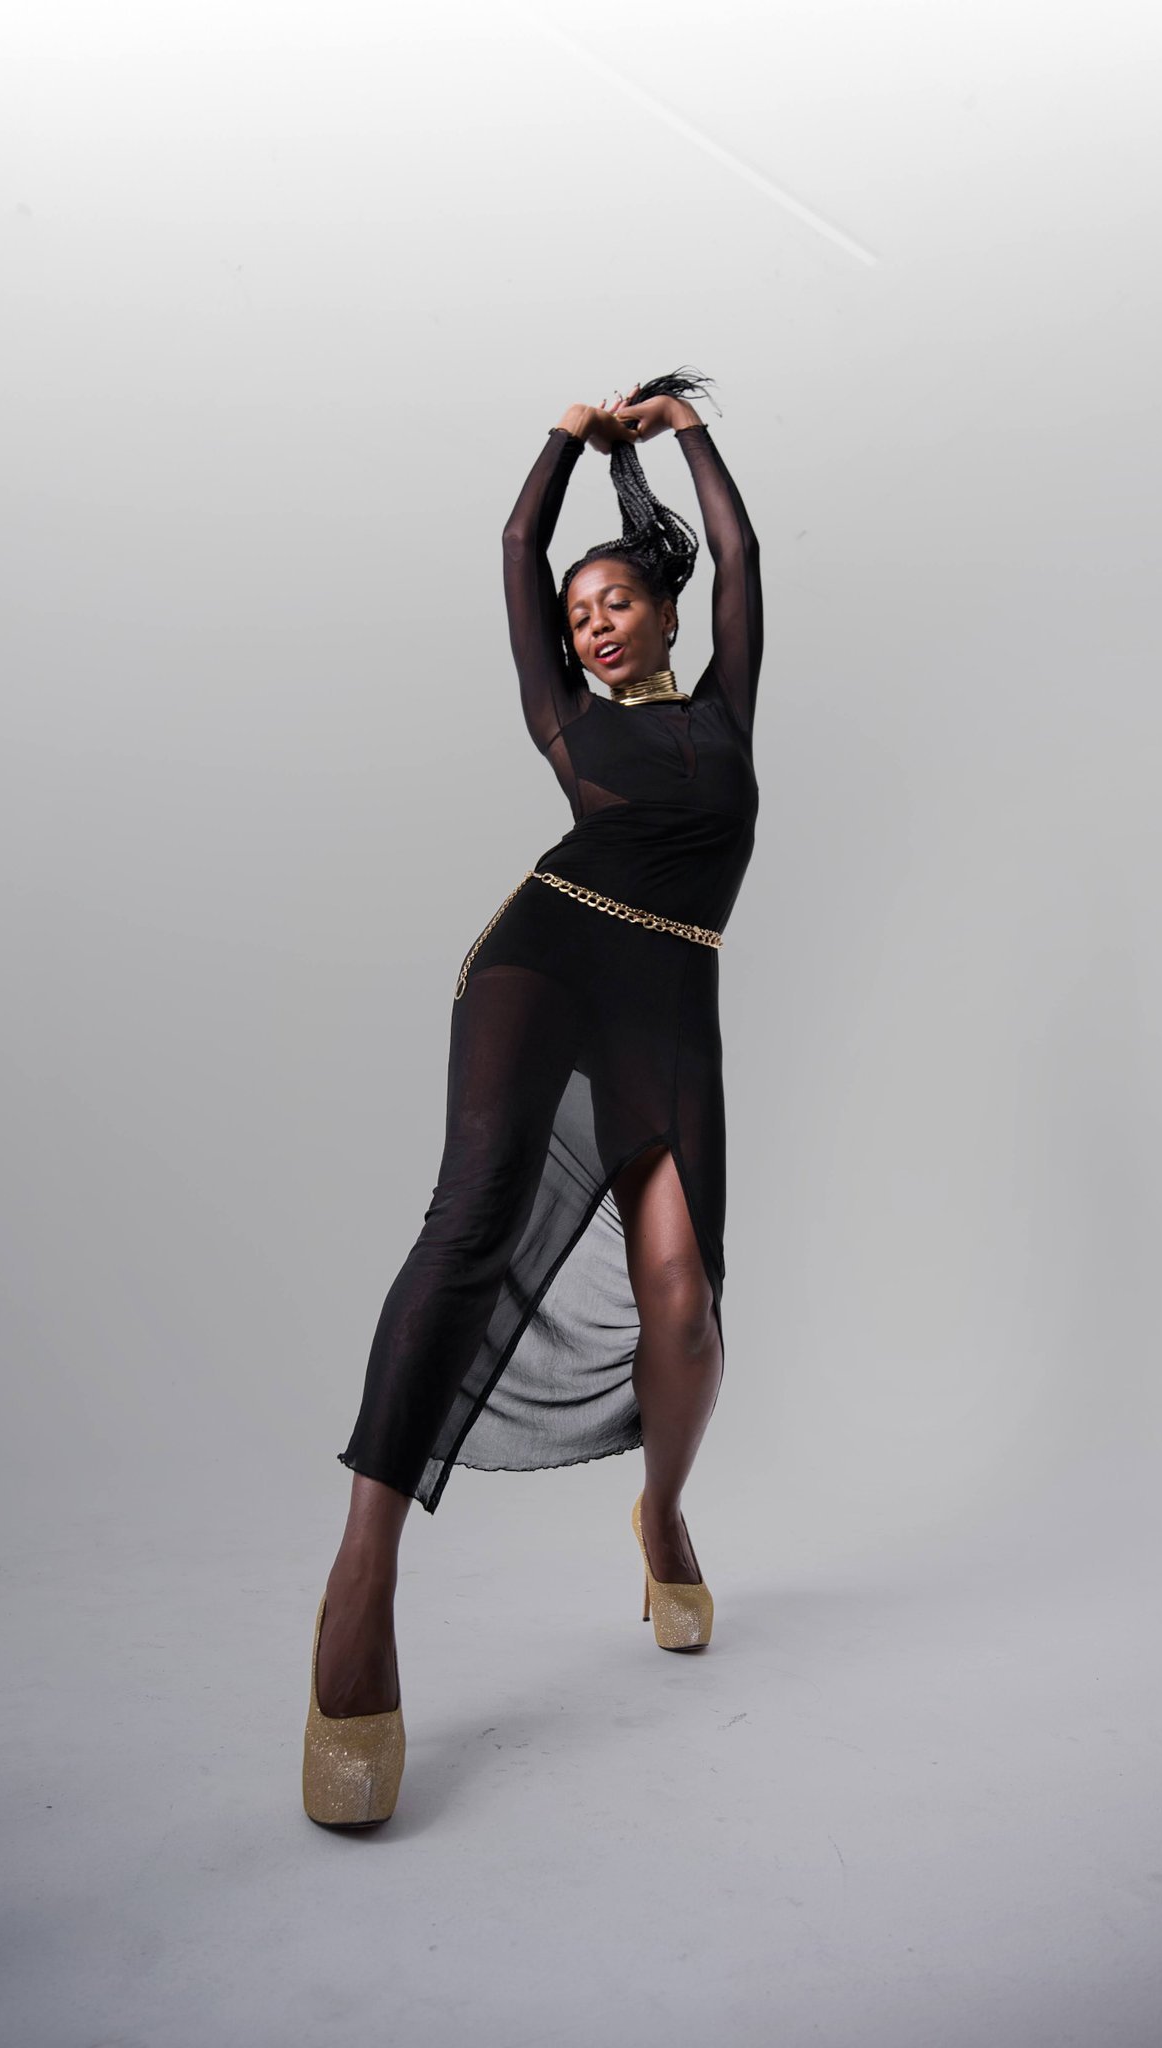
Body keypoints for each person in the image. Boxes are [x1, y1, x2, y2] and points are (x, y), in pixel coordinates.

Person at [302, 367, 764, 1827]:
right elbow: (516, 546)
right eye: (577, 613)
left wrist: (681, 431)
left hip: (671, 1002)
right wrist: (567, 439)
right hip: (544, 959)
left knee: (682, 1300)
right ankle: (364, 1574)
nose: (591, 620)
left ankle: (662, 1513)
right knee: (474, 1216)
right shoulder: (563, 715)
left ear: (667, 616)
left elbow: (738, 550)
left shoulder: (730, 707)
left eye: (616, 600)